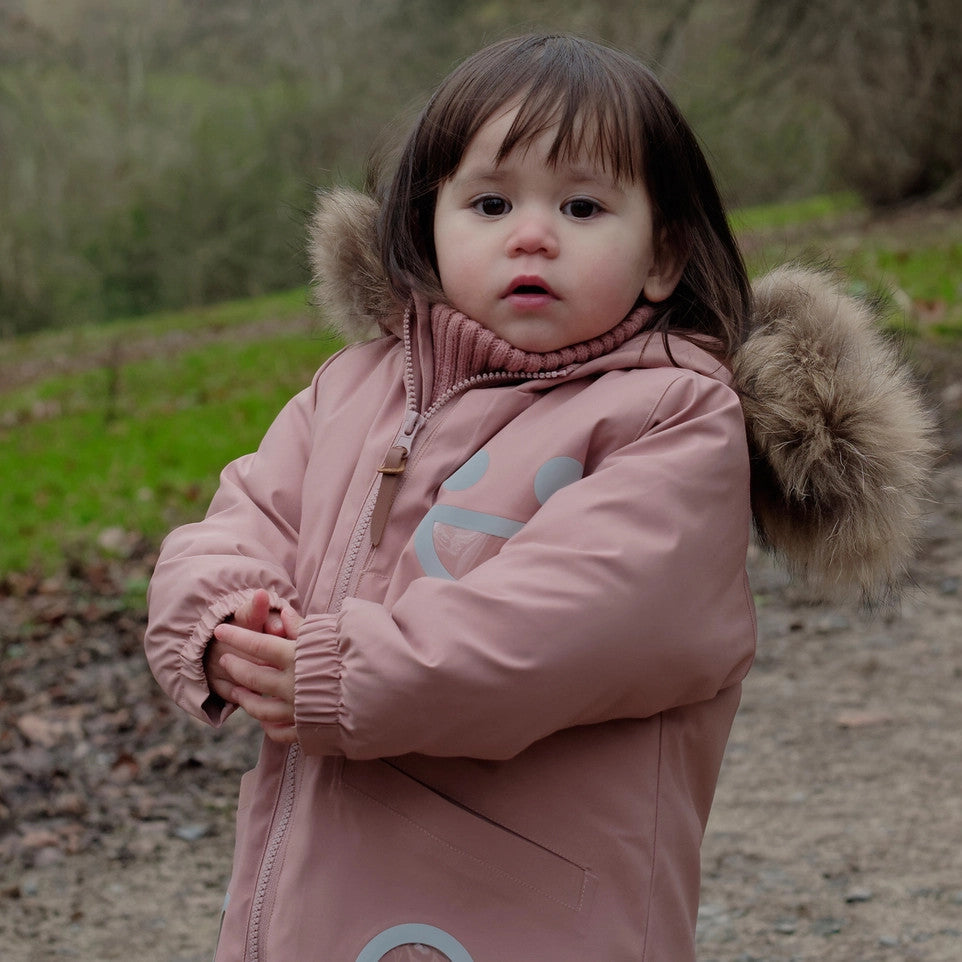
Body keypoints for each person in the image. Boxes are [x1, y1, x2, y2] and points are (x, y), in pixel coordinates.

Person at [144, 33, 933, 962]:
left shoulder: (673, 417)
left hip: (529, 919)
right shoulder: (352, 389)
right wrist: (225, 618)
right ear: (428, 227)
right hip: (319, 905)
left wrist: (338, 672)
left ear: (663, 256)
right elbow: (240, 518)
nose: (531, 232)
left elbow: (568, 620)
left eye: (584, 205)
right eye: (488, 202)